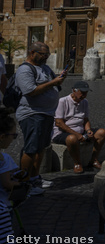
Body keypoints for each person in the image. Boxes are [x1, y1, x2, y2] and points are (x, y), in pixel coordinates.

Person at [16, 42, 67, 194]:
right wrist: (53, 82)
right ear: (32, 53)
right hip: (32, 113)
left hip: (47, 113)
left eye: (47, 55)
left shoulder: (44, 68)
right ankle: (23, 184)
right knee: (31, 149)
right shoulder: (25, 70)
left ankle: (34, 178)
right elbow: (30, 91)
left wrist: (59, 78)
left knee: (41, 148)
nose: (46, 57)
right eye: (43, 54)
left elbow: (52, 83)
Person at [51, 82, 105, 174]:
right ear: (74, 91)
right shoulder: (63, 101)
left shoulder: (84, 102)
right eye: (82, 92)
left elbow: (85, 119)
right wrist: (77, 135)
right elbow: (59, 123)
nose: (84, 95)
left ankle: (93, 159)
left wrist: (88, 130)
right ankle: (77, 163)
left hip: (80, 129)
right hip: (62, 132)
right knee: (72, 138)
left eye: (86, 93)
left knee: (102, 132)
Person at [1, 112, 29, 244]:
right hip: (4, 204)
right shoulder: (3, 159)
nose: (14, 139)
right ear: (2, 137)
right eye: (14, 136)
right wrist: (19, 185)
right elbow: (6, 184)